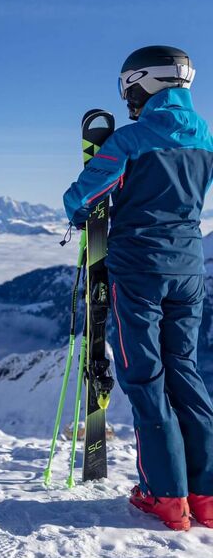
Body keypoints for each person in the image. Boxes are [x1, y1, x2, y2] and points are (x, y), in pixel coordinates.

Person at [63, 45, 213, 532]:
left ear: (145, 82)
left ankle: (164, 497)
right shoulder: (206, 137)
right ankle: (205, 496)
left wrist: (82, 213)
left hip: (138, 271)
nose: (128, 95)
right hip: (191, 270)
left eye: (130, 85)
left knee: (146, 379)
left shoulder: (131, 140)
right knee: (185, 374)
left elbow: (82, 194)